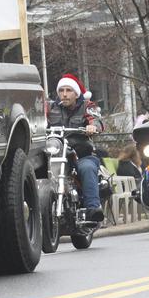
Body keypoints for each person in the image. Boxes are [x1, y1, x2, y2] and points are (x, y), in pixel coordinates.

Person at [48, 73, 105, 221]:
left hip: (81, 154)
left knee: (87, 168)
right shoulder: (51, 108)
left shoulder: (87, 106)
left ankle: (93, 209)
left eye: (68, 90)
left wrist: (92, 127)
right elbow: (37, 121)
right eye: (61, 90)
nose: (64, 94)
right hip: (57, 154)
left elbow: (97, 121)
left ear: (76, 93)